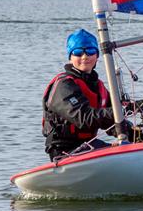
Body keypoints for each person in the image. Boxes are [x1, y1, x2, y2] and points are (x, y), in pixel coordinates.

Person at [42, 29, 129, 161]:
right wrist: (121, 111)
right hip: (64, 152)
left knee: (131, 144)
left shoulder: (99, 86)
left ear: (97, 56)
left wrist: (139, 134)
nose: (84, 57)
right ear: (70, 57)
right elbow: (83, 118)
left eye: (90, 51)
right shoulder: (64, 85)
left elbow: (112, 121)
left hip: (89, 146)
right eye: (78, 52)